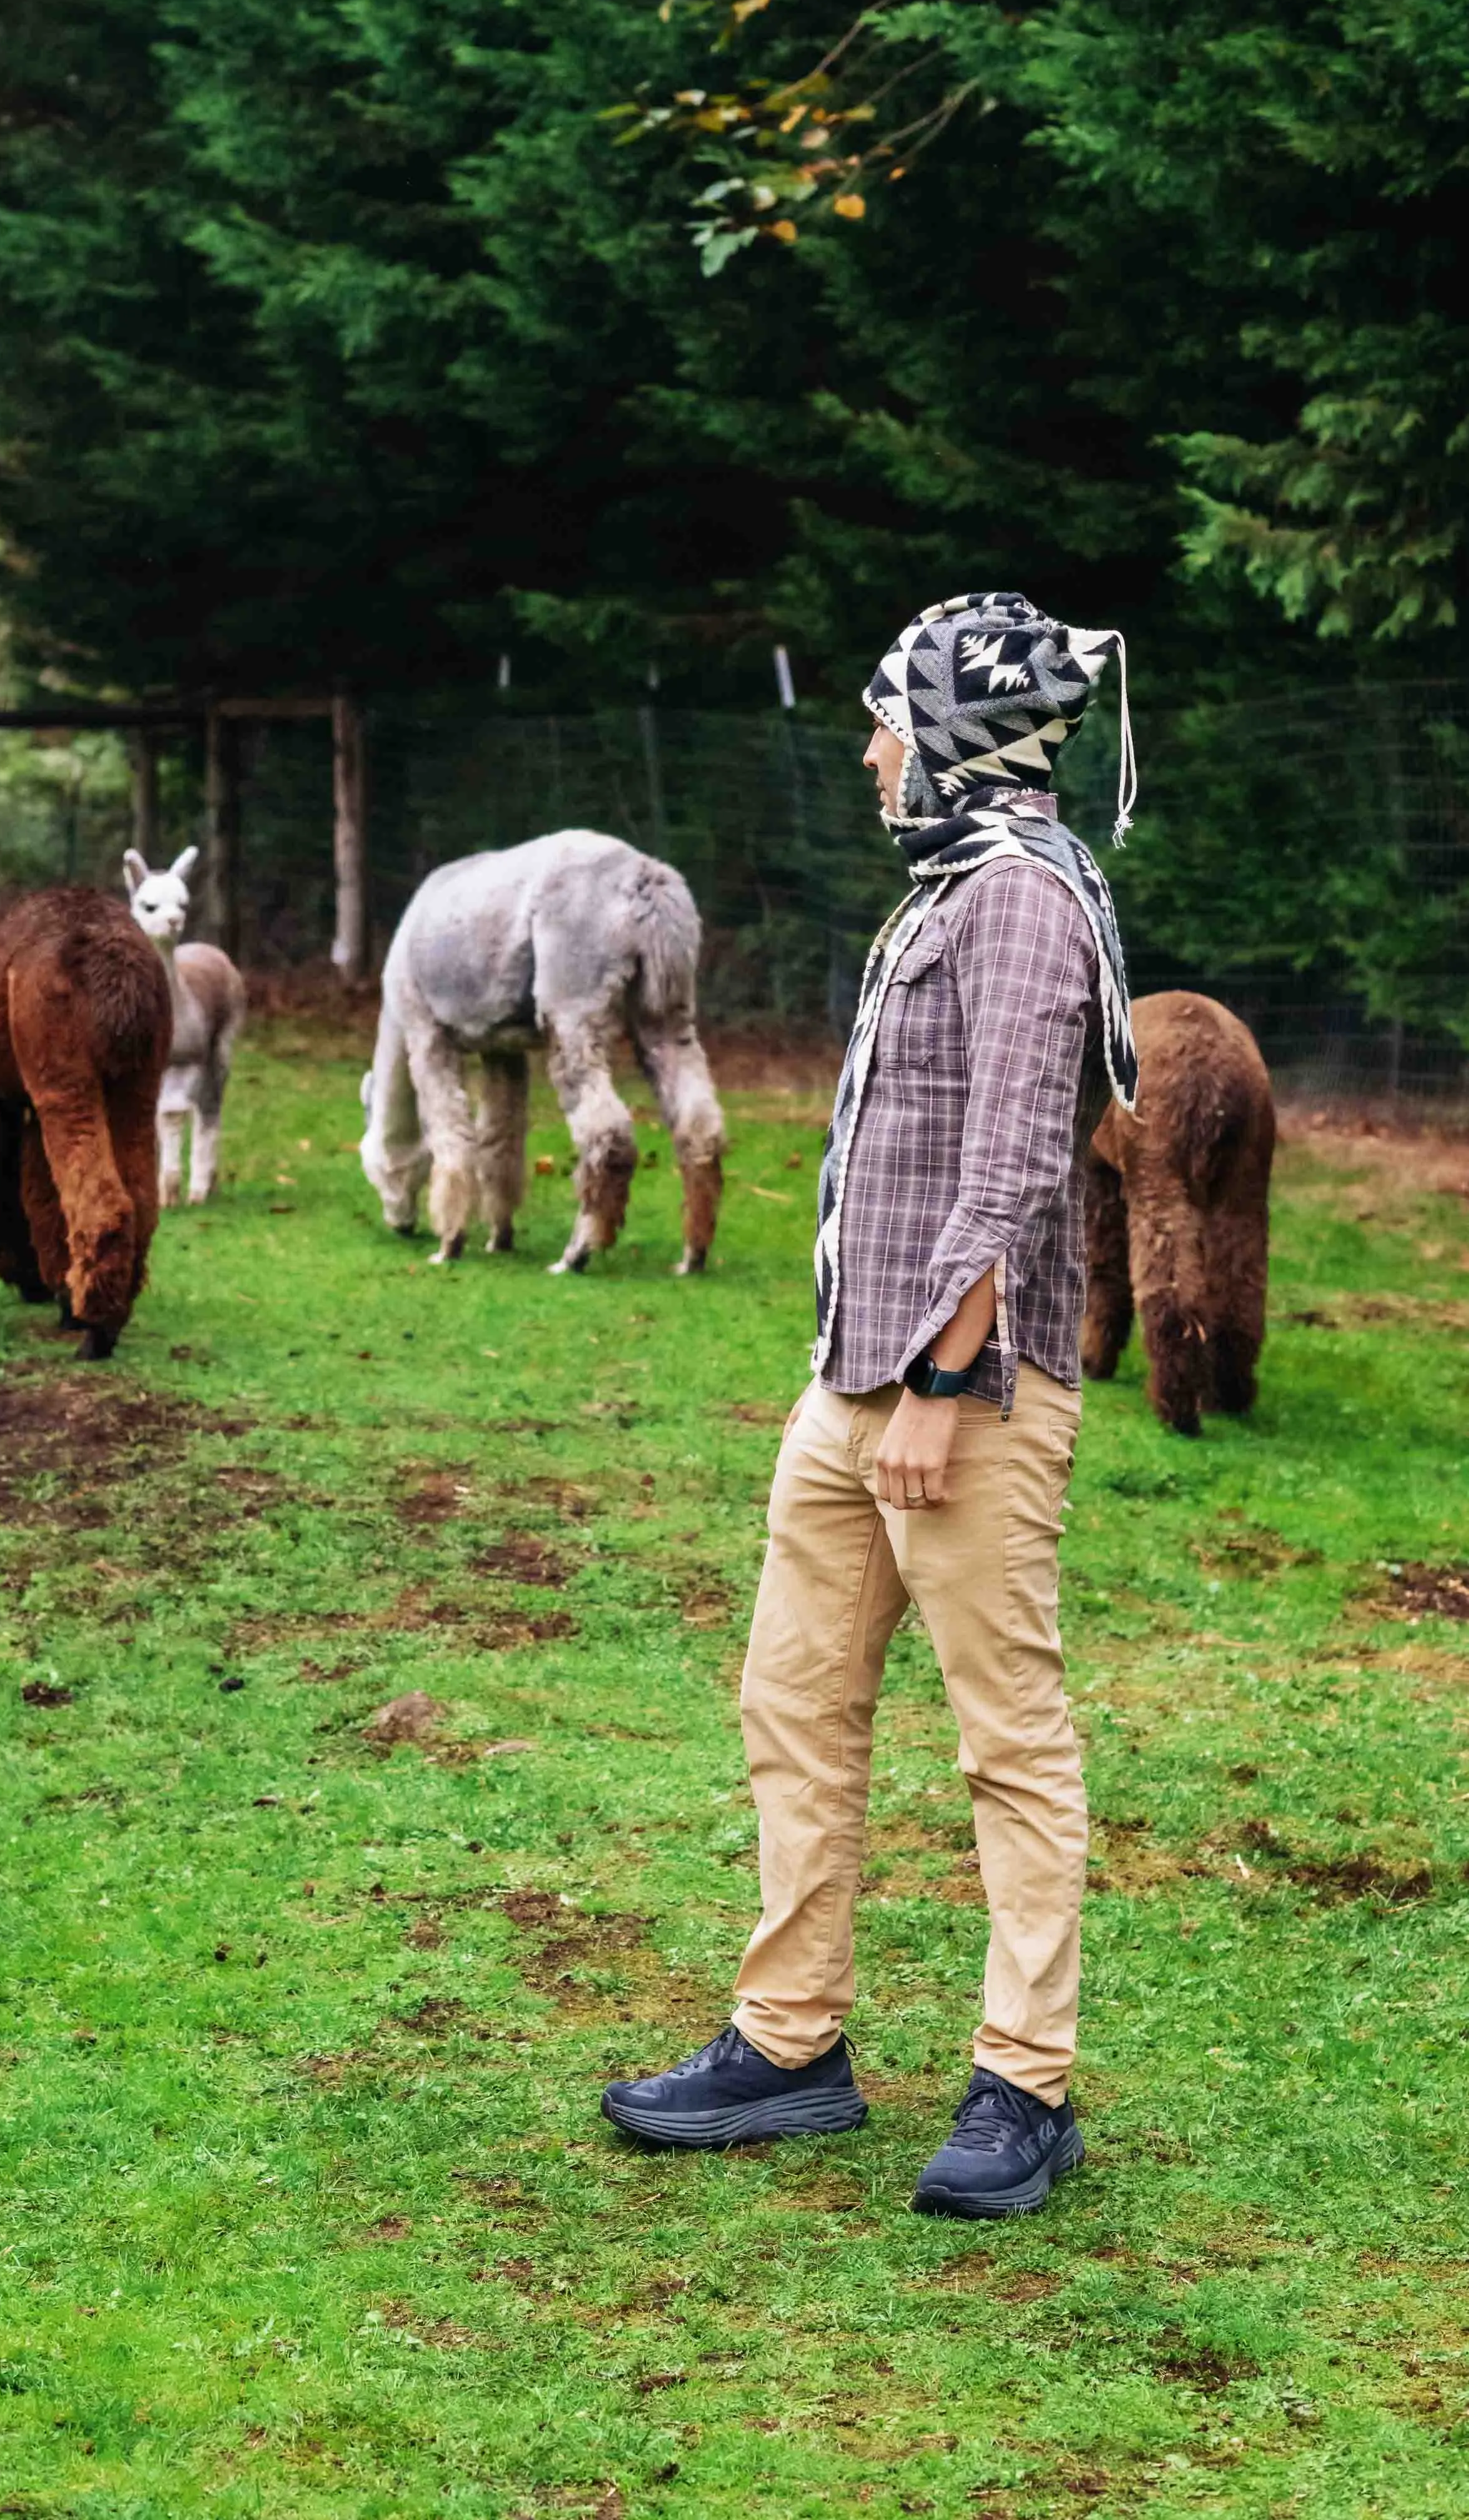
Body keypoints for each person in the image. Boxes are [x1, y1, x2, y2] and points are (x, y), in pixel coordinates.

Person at [602, 591, 1139, 2218]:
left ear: (960, 737)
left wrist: (942, 1378)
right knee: (791, 1706)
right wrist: (875, 1382)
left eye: (889, 717)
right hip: (856, 1390)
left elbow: (1013, 1157)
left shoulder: (1025, 900)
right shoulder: (950, 888)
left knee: (1007, 1741)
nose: (867, 746)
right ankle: (787, 2045)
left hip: (955, 1400)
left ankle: (1021, 2085)